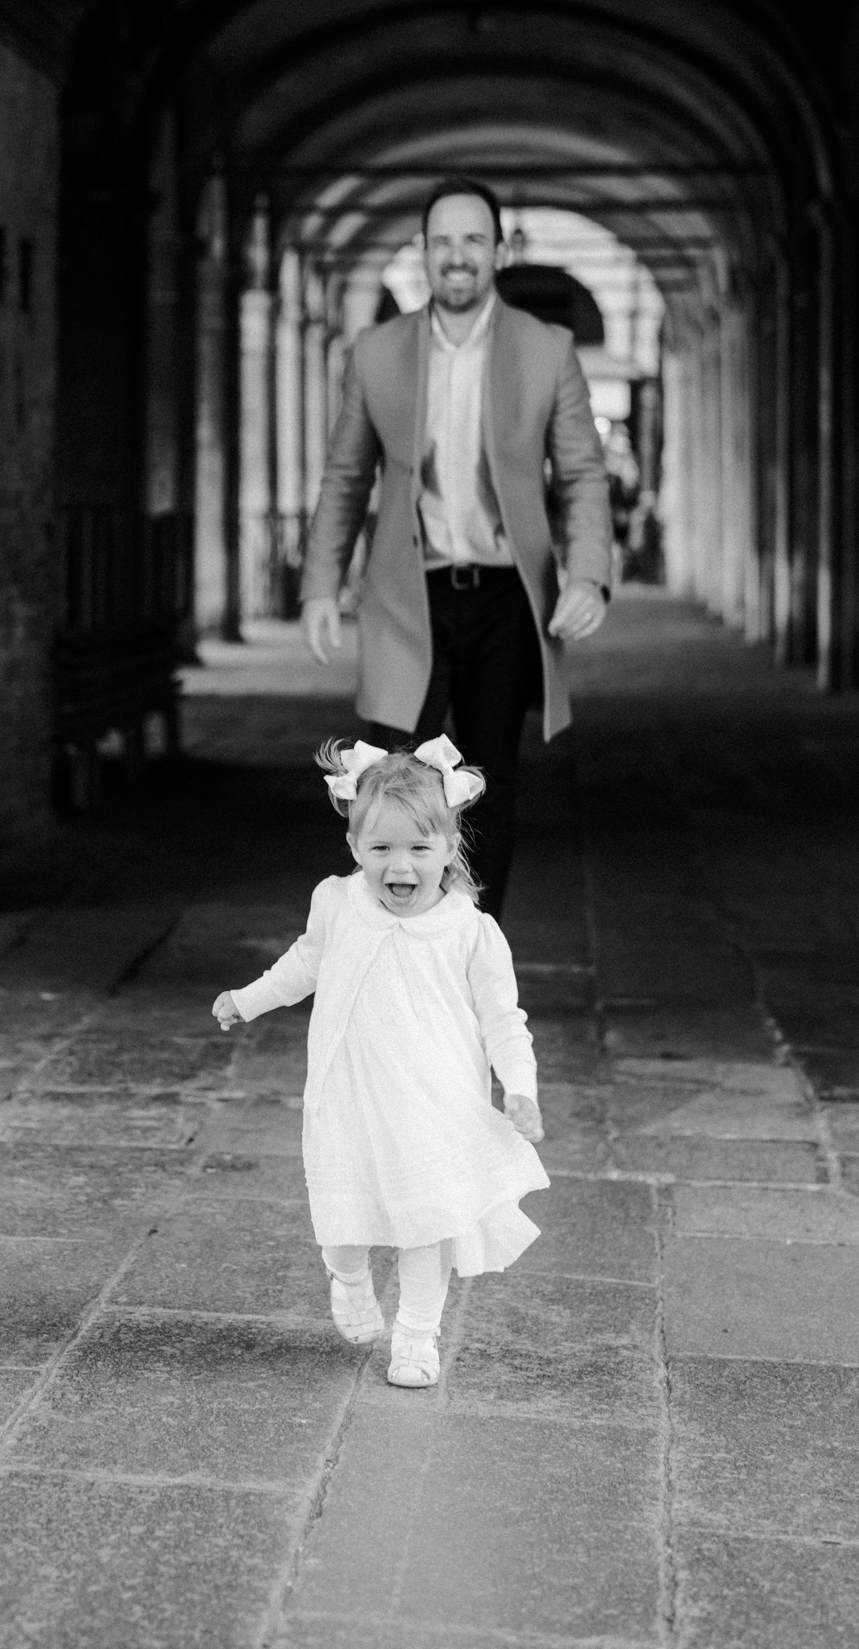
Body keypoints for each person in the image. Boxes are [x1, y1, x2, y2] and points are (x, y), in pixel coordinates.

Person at [300, 177, 612, 917]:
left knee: (487, 785)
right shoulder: (378, 353)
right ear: (425, 253)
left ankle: (474, 948)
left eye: (473, 240)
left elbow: (581, 472)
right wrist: (320, 583)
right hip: (409, 592)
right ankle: (394, 947)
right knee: (391, 785)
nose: (457, 257)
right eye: (442, 242)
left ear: (499, 251)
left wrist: (589, 574)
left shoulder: (547, 350)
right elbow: (346, 474)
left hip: (507, 595)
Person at [212, 736, 547, 1389]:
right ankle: (349, 1277)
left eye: (420, 849)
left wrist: (522, 1089)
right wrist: (248, 1000)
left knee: (428, 1228)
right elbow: (303, 964)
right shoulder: (337, 903)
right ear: (355, 849)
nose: (401, 864)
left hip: (434, 1107)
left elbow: (506, 1022)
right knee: (343, 1212)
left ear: (449, 848)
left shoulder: (470, 932)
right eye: (382, 849)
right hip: (349, 1097)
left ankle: (417, 1339)